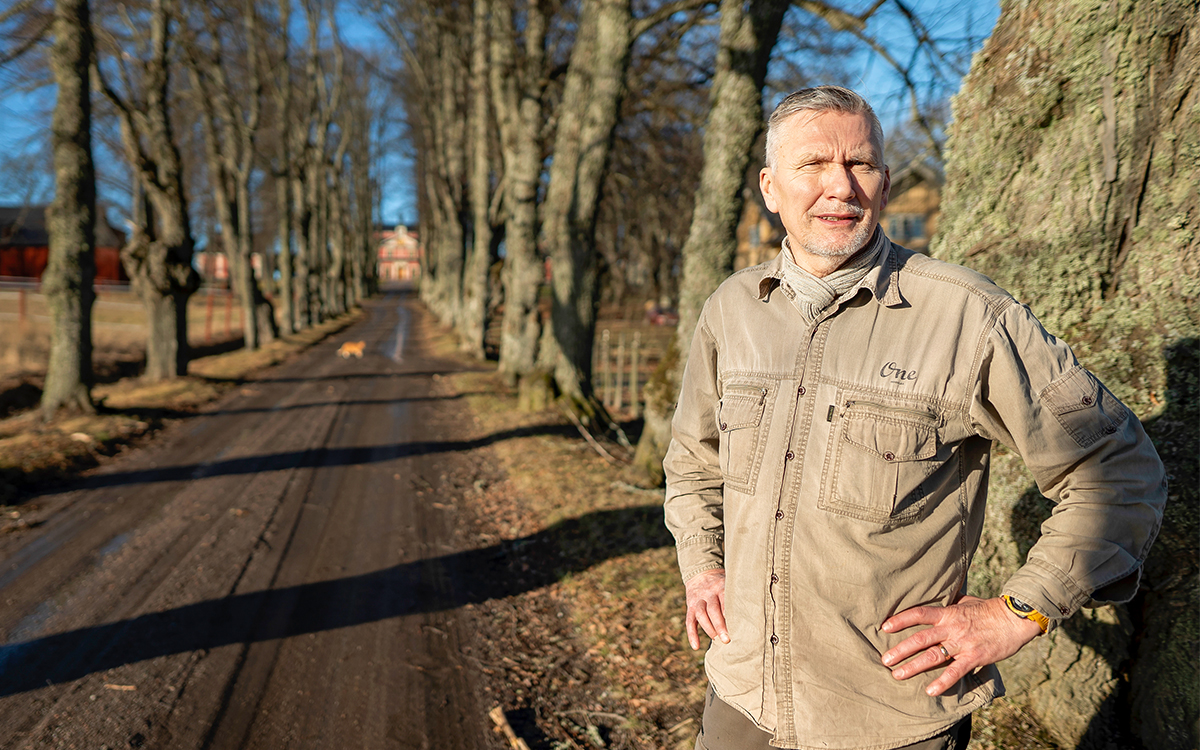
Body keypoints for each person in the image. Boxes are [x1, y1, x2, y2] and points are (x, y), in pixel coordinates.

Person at [662, 86, 1167, 750]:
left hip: (888, 718)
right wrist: (702, 562)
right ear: (769, 187)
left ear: (885, 182)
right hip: (740, 698)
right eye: (813, 164)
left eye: (861, 164)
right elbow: (694, 460)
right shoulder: (733, 310)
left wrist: (1019, 611)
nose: (839, 186)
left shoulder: (967, 316)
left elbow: (1118, 470)